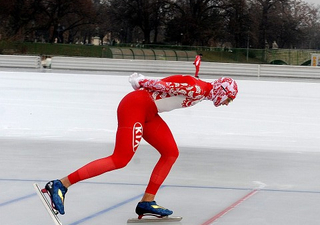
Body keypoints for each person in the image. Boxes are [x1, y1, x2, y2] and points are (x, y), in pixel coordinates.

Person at [41, 73, 239, 219]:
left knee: (170, 152)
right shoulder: (197, 89)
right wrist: (141, 81)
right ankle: (60, 184)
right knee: (120, 159)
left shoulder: (202, 91)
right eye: (229, 99)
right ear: (221, 91)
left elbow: (178, 84)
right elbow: (162, 86)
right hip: (135, 106)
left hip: (149, 112)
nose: (227, 104)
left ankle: (147, 201)